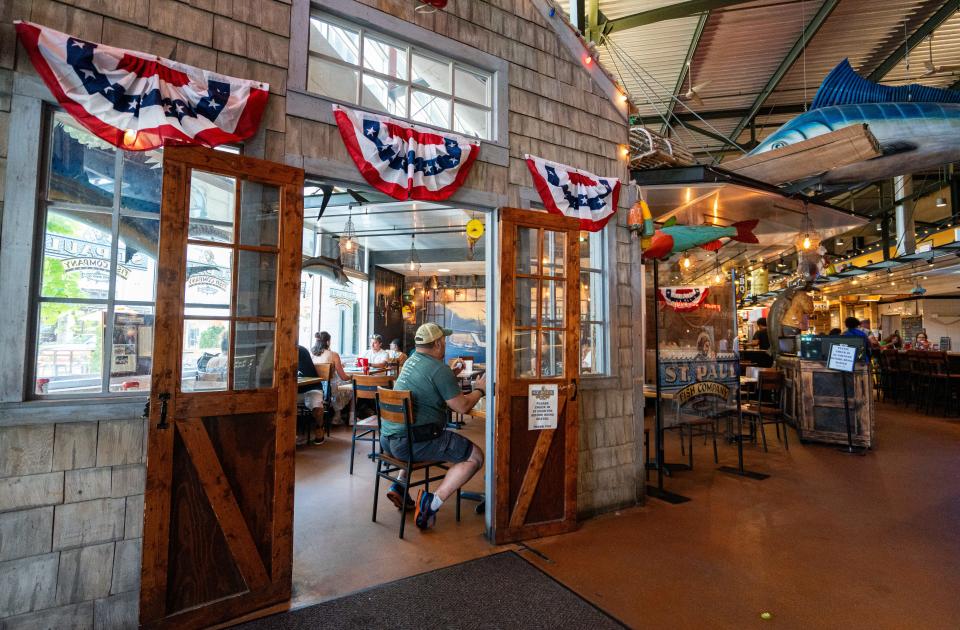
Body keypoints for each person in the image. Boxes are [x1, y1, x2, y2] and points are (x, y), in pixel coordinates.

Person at [381, 323, 485, 529]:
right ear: (438, 343)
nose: (445, 343)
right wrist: (480, 389)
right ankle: (431, 503)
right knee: (475, 457)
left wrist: (451, 375)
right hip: (411, 443)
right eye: (444, 340)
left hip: (388, 440)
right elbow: (462, 407)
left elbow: (430, 382)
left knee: (418, 433)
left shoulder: (411, 361)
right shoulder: (439, 369)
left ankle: (400, 487)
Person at [312, 331, 352, 424]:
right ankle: (341, 416)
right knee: (353, 387)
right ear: (327, 342)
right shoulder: (333, 355)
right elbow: (343, 377)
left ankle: (338, 415)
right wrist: (352, 376)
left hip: (318, 386)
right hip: (330, 386)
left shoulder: (312, 354)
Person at [297, 344, 325, 445]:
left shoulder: (300, 350)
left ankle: (319, 426)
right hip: (295, 390)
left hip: (312, 386)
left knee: (317, 407)